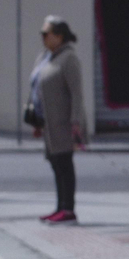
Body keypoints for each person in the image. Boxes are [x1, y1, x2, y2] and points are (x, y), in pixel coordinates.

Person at [29, 16, 88, 224]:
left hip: (63, 123)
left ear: (59, 36)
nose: (43, 38)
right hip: (47, 123)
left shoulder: (68, 58)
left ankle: (68, 209)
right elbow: (36, 87)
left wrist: (76, 123)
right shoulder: (45, 56)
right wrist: (36, 119)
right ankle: (59, 206)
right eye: (42, 34)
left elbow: (77, 94)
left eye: (46, 34)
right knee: (55, 163)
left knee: (64, 164)